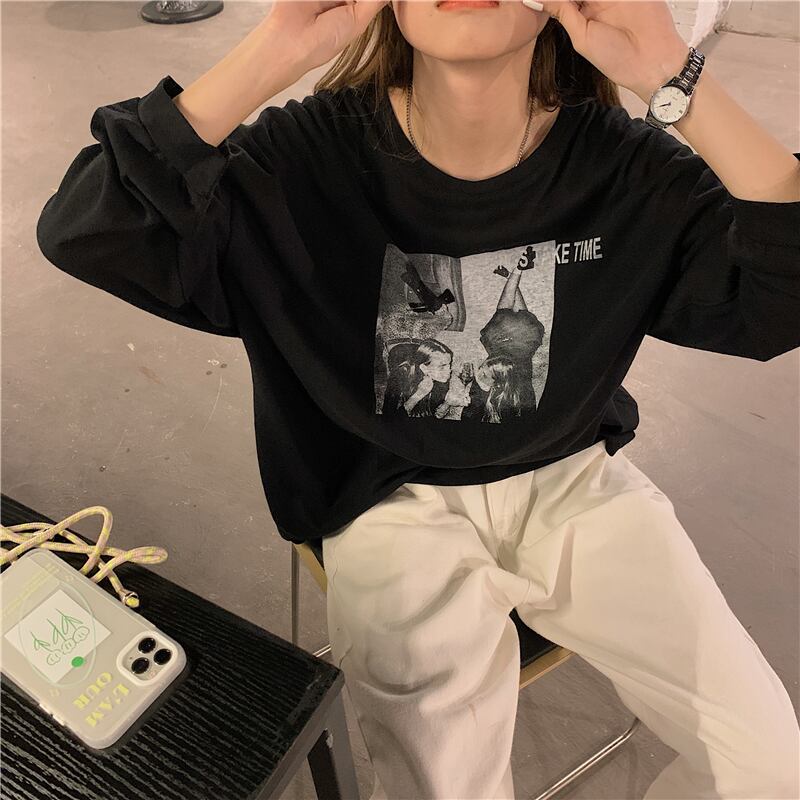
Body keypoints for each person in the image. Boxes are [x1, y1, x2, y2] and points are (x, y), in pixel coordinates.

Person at [36, 0, 800, 797]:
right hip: (385, 496)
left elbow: (781, 292)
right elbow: (91, 227)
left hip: (574, 479)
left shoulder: (622, 166)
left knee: (771, 764)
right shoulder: (309, 159)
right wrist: (278, 46)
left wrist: (670, 73)